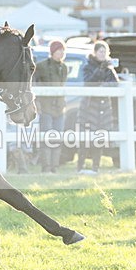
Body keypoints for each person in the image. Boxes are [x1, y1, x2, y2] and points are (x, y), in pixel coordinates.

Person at [76, 40, 118, 174]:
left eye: (105, 52)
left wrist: (106, 81)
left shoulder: (108, 67)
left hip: (103, 106)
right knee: (85, 138)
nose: (102, 54)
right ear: (95, 52)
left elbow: (115, 83)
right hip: (89, 106)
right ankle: (80, 166)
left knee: (99, 138)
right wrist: (100, 70)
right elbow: (89, 82)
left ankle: (96, 167)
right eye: (100, 51)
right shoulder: (88, 66)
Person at [34, 40, 68, 173]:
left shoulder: (64, 67)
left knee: (58, 137)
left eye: (63, 50)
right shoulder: (41, 66)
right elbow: (34, 84)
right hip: (45, 107)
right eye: (59, 50)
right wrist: (37, 102)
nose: (61, 53)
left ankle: (55, 167)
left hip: (59, 107)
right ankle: (46, 167)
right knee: (46, 137)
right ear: (53, 51)